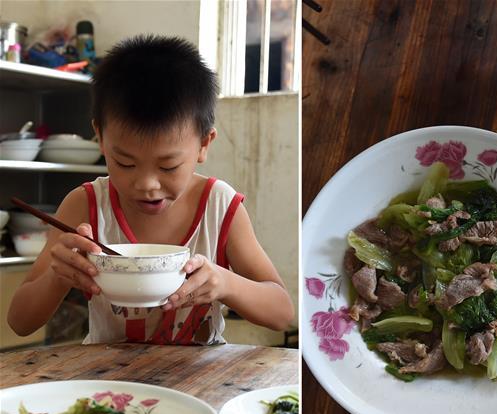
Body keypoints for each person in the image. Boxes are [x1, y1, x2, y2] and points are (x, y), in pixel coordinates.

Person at [8, 35, 295, 345]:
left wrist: (225, 283)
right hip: (110, 383)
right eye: (124, 163)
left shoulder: (219, 206)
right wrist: (58, 275)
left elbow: (281, 313)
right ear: (100, 139)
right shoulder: (86, 205)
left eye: (168, 166)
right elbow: (20, 323)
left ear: (204, 144)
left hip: (201, 381)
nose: (146, 184)